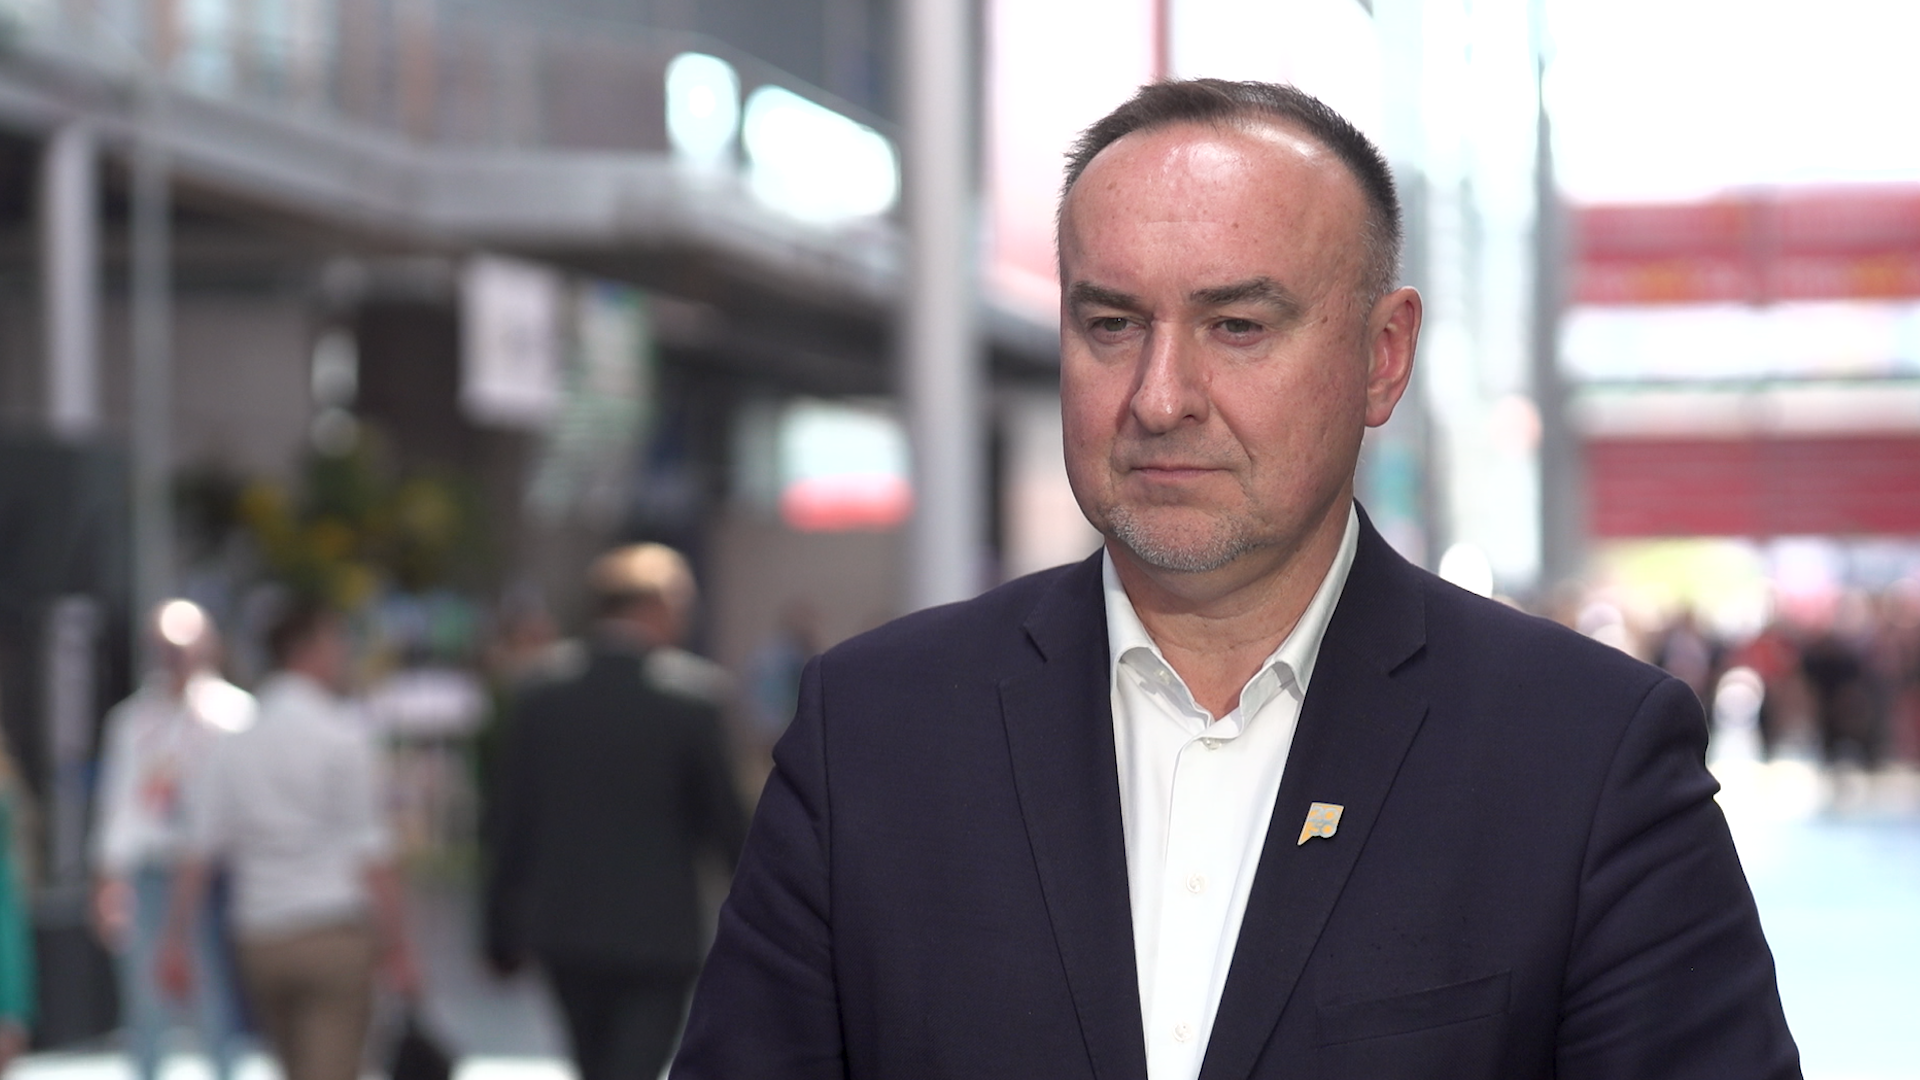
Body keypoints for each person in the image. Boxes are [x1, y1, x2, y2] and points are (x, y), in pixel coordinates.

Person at [672, 80, 1799, 1079]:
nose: (1161, 396)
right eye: (1111, 323)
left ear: (1383, 356)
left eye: (1238, 325)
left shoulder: (1584, 757)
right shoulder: (873, 732)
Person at [484, 544, 747, 1080]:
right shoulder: (693, 700)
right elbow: (729, 827)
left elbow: (509, 820)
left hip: (566, 929)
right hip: (658, 933)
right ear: (656, 606)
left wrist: (497, 930)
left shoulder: (541, 696)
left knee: (594, 1064)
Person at [159, 601, 419, 1080]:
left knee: (293, 1063)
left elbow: (197, 853)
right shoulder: (342, 736)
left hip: (260, 933)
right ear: (306, 650)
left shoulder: (235, 742)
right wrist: (399, 945)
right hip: (333, 928)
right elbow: (372, 853)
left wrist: (175, 940)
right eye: (335, 643)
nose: (343, 654)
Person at [92, 600, 251, 1080]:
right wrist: (108, 881)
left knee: (217, 1003)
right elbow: (118, 804)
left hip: (218, 879)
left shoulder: (236, 716)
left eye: (183, 645)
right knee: (147, 1005)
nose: (174, 657)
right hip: (151, 875)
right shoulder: (133, 719)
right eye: (164, 646)